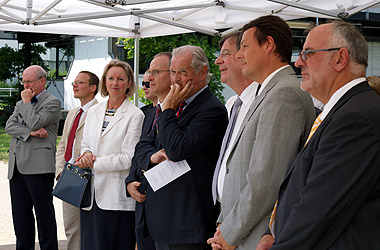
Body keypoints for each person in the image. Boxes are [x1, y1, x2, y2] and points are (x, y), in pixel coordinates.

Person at [256, 21, 380, 250]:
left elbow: (318, 211)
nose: (298, 61)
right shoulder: (342, 111)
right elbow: (302, 185)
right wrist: (270, 232)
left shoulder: (355, 118)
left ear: (340, 59)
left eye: (308, 53)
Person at [207, 16, 315, 250]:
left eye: (244, 46)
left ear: (268, 45)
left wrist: (230, 232)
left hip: (255, 236)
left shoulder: (283, 94)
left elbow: (265, 180)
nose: (238, 54)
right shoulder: (270, 92)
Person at [134, 45, 228, 250]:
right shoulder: (177, 105)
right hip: (161, 219)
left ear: (202, 72)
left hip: (187, 224)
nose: (175, 79)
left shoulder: (211, 109)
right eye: (173, 72)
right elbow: (142, 146)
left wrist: (168, 109)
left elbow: (177, 149)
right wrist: (152, 157)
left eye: (183, 73)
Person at [75, 59, 144, 250]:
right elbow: (85, 143)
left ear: (129, 83)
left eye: (121, 79)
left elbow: (128, 157)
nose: (115, 83)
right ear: (105, 81)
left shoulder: (135, 115)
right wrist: (86, 153)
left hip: (115, 198)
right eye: (111, 78)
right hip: (90, 195)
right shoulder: (94, 111)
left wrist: (93, 163)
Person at [5, 65, 60, 250]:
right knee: (21, 217)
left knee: (44, 216)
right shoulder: (22, 102)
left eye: (29, 81)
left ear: (42, 81)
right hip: (17, 166)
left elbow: (35, 121)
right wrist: (32, 133)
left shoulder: (52, 102)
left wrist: (27, 103)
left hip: (39, 166)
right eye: (24, 81)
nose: (25, 85)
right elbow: (9, 127)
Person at [126, 52, 172, 250]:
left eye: (155, 73)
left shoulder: (176, 112)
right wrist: (129, 182)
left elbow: (170, 154)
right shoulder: (149, 113)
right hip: (143, 206)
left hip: (165, 210)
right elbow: (140, 151)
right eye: (147, 75)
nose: (149, 80)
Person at [55, 70, 99, 250]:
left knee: (89, 228)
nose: (74, 85)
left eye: (80, 82)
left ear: (93, 87)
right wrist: (60, 171)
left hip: (90, 177)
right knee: (71, 228)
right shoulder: (73, 113)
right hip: (69, 177)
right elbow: (63, 144)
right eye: (74, 82)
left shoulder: (99, 112)